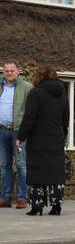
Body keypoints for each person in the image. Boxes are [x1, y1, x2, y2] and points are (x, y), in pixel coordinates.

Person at [16, 66, 68, 216]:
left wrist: (21, 136)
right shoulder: (63, 92)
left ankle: (37, 206)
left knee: (37, 171)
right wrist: (62, 134)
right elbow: (66, 118)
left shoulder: (36, 93)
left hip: (38, 138)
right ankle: (56, 206)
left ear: (39, 76)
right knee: (56, 172)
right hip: (56, 137)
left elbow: (29, 118)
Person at [0, 59, 32, 209]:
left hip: (18, 132)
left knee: (21, 165)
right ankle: (5, 198)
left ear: (18, 71)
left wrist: (25, 132)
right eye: (6, 70)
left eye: (12, 70)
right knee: (4, 165)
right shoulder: (0, 86)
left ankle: (22, 197)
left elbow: (31, 112)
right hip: (1, 131)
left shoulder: (27, 88)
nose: (9, 73)